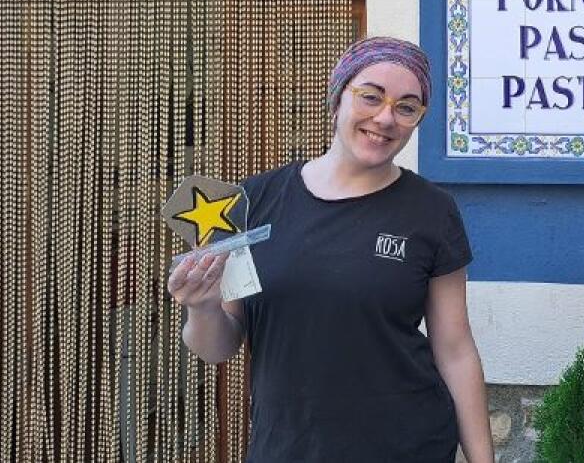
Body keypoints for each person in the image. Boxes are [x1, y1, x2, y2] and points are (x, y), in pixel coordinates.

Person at [167, 37, 494, 462]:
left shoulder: (432, 211)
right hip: (287, 448)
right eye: (371, 96)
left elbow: (455, 349)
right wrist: (204, 307)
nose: (385, 117)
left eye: (407, 107)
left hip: (408, 446)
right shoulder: (253, 201)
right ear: (338, 98)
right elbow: (218, 348)